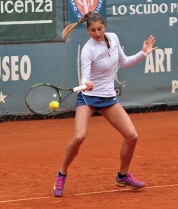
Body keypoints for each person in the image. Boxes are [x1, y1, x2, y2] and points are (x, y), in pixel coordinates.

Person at [52, 11, 157, 197]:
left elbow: (124, 63)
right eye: (93, 30)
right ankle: (61, 175)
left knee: (132, 136)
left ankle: (122, 176)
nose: (97, 33)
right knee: (79, 137)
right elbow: (85, 75)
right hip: (88, 97)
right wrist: (87, 83)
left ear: (105, 26)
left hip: (108, 98)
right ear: (88, 31)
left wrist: (143, 53)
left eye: (100, 29)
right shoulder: (88, 49)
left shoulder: (113, 38)